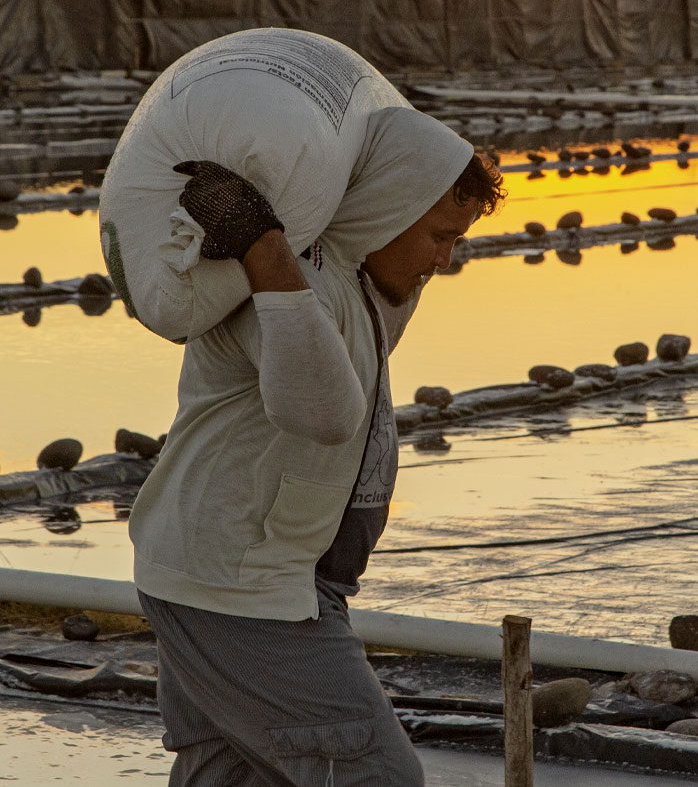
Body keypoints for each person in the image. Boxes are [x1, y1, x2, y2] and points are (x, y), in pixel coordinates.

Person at [129, 106, 505, 786]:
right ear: (388, 210)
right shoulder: (278, 283)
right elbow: (325, 410)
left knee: (230, 777)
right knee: (375, 777)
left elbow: (376, 295)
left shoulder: (355, 281)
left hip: (262, 576)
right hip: (239, 589)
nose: (447, 260)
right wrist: (261, 244)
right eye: (441, 237)